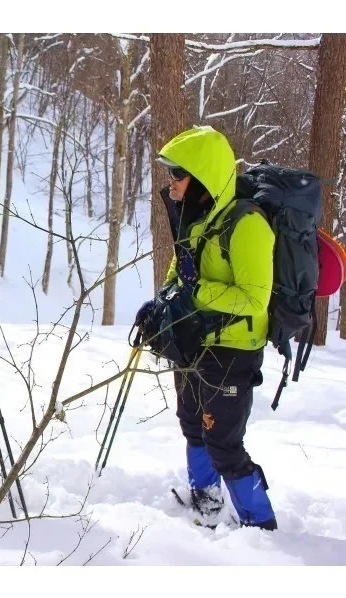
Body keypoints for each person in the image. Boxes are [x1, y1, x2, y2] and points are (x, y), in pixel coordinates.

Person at [136, 126, 277, 530]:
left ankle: (261, 526)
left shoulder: (247, 225)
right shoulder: (197, 220)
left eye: (177, 174)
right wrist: (162, 303)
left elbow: (254, 299)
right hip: (196, 340)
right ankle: (206, 499)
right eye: (169, 174)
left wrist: (197, 291)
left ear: (201, 177)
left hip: (233, 348)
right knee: (192, 422)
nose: (171, 182)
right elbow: (179, 272)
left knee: (224, 443)